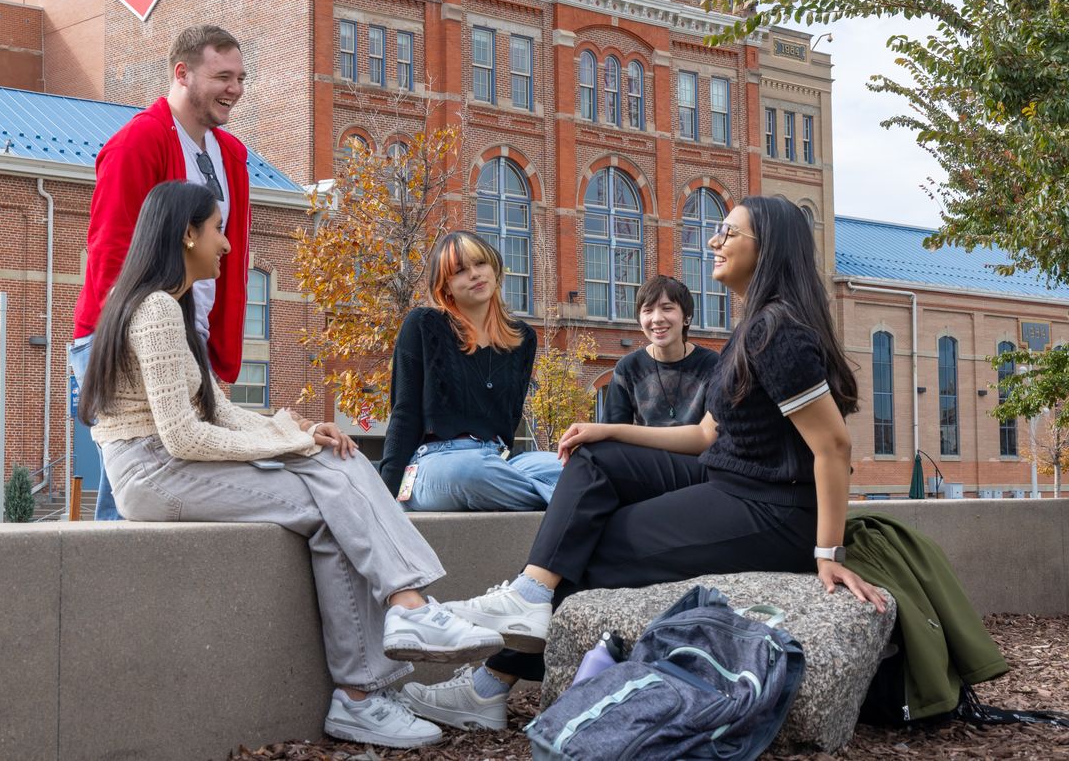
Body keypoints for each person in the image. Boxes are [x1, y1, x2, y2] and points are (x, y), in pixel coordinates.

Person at [404, 196, 887, 731]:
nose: (714, 241)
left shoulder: (778, 333)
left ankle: (488, 685)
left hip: (769, 509)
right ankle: (530, 595)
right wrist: (607, 429)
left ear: (767, 248)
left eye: (729, 233)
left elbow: (833, 447)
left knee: (595, 545)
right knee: (594, 458)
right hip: (724, 474)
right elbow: (705, 434)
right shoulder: (752, 328)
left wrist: (827, 553)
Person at [78, 180, 506, 749]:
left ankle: (389, 646)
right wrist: (286, 445)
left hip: (166, 466)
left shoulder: (168, 306)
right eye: (218, 230)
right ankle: (385, 650)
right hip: (154, 473)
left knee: (334, 468)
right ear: (187, 235)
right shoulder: (155, 308)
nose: (226, 244)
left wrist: (299, 432)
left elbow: (221, 412)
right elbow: (182, 436)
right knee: (332, 495)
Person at [70, 24, 252, 521]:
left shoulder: (230, 155)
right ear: (182, 73)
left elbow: (229, 258)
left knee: (179, 484)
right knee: (135, 488)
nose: (235, 89)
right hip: (127, 336)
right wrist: (140, 337)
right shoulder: (138, 143)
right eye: (222, 76)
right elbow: (111, 251)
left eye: (240, 78)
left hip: (191, 335)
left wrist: (213, 349)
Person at [379, 230, 562, 510]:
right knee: (470, 472)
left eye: (480, 263)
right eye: (460, 271)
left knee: (572, 467)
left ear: (494, 268)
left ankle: (560, 497)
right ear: (445, 286)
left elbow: (508, 423)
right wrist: (385, 497)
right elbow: (404, 414)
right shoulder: (424, 324)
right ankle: (565, 501)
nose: (475, 274)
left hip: (497, 462)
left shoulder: (523, 338)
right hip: (436, 465)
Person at [602, 275, 719, 427]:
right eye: (648, 310)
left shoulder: (713, 365)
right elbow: (611, 431)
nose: (657, 318)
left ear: (687, 317)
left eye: (667, 308)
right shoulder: (628, 368)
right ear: (639, 321)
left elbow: (717, 433)